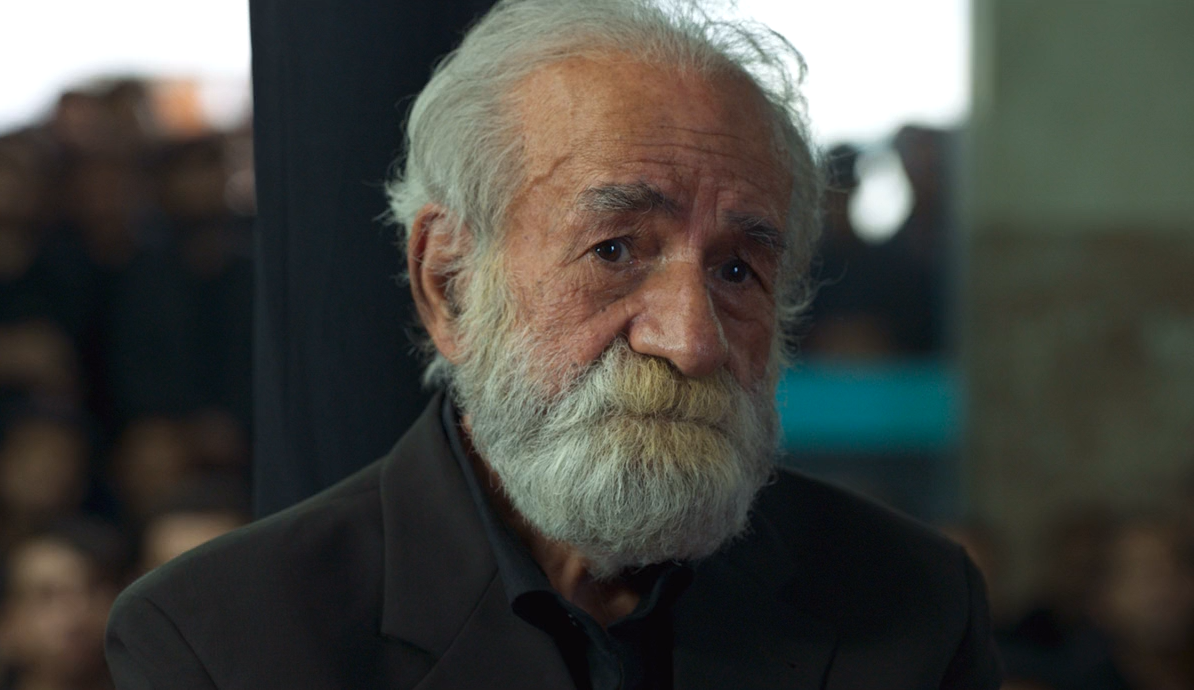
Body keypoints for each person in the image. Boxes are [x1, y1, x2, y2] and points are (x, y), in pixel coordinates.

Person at [105, 1, 1001, 688]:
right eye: (615, 251)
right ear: (450, 282)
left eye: (737, 270)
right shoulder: (224, 642)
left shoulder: (912, 606)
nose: (690, 341)